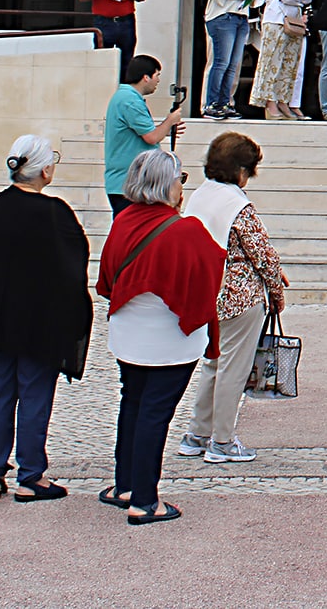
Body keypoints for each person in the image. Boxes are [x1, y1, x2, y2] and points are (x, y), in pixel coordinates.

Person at [95, 147, 224, 525]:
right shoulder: (185, 229)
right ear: (168, 185)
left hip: (128, 330)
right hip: (169, 338)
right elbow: (210, 272)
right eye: (180, 180)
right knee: (155, 412)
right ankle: (146, 500)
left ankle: (125, 486)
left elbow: (107, 272)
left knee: (132, 403)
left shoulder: (123, 220)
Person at [0, 134, 92, 501]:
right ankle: (30, 475)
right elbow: (74, 265)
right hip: (39, 320)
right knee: (35, 394)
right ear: (45, 169)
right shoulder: (55, 213)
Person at [179, 132, 287, 466]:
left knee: (213, 363)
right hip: (239, 295)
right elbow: (264, 256)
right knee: (233, 369)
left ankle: (197, 433)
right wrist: (277, 293)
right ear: (242, 169)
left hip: (207, 290)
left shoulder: (199, 195)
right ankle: (222, 440)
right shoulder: (238, 205)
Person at [104, 56, 182, 214]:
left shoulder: (124, 97)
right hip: (127, 183)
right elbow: (151, 137)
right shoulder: (130, 100)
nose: (158, 80)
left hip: (126, 182)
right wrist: (170, 120)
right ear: (146, 77)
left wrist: (166, 129)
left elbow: (143, 134)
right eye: (157, 75)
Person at [200, 0, 259, 120]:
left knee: (233, 64)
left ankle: (226, 102)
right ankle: (211, 104)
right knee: (220, 61)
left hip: (241, 17)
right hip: (222, 17)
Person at [250, 0, 312, 120]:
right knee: (273, 63)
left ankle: (283, 101)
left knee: (289, 64)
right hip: (276, 22)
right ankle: (270, 103)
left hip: (294, 23)